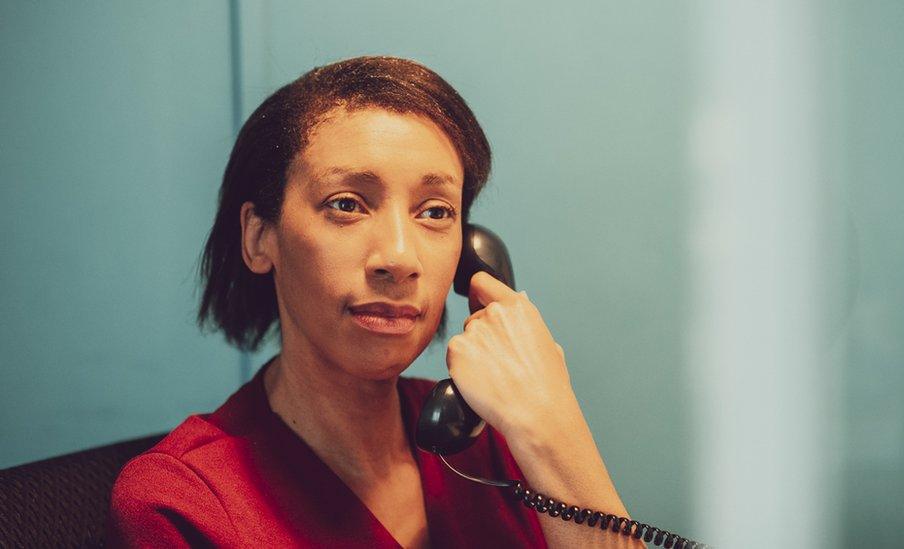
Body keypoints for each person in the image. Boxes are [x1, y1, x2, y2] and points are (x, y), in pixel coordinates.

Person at [107, 56, 642, 548]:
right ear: (259, 237)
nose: (400, 257)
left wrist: (553, 426)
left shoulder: (498, 443)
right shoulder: (182, 504)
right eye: (347, 204)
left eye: (435, 212)